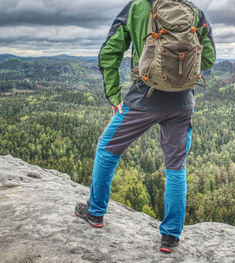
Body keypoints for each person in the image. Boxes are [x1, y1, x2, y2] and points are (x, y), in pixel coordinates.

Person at [75, 0, 215, 253]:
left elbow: (109, 53)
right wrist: (176, 72)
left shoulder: (138, 6)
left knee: (107, 149)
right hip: (183, 101)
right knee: (175, 167)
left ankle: (95, 213)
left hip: (143, 96)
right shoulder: (194, 11)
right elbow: (210, 58)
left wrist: (114, 95)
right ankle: (170, 237)